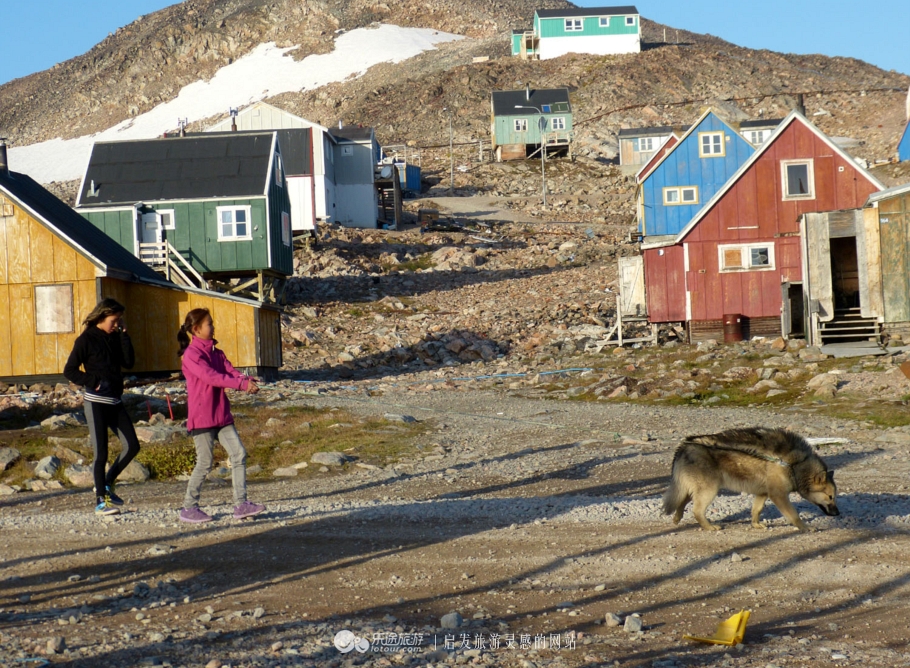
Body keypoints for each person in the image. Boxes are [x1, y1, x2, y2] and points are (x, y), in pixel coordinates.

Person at [177, 308, 265, 523]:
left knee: (239, 454)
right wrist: (241, 385)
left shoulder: (217, 353)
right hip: (202, 416)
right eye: (209, 324)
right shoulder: (191, 355)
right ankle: (189, 507)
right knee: (205, 463)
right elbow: (211, 377)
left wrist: (247, 380)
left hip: (222, 415)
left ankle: (241, 504)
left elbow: (229, 372)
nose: (213, 326)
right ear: (196, 329)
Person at [63, 298, 140, 516]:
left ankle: (106, 483)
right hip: (95, 402)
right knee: (101, 453)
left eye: (119, 321)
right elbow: (69, 370)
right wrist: (93, 381)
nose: (116, 324)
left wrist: (125, 335)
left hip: (115, 401)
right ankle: (100, 502)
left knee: (133, 446)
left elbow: (129, 362)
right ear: (102, 316)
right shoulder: (85, 339)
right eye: (114, 321)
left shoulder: (115, 336)